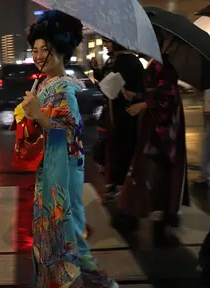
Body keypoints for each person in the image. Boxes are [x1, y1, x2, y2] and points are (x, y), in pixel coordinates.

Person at [20, 10, 118, 287]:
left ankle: (97, 282)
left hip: (63, 169)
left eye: (45, 49)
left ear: (61, 50)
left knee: (69, 230)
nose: (38, 56)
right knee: (61, 230)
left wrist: (38, 115)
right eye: (35, 50)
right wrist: (28, 116)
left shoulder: (63, 87)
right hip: (51, 165)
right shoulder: (46, 84)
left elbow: (71, 131)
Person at [114, 50, 189, 239]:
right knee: (148, 171)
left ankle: (141, 214)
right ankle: (146, 213)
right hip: (153, 124)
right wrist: (138, 97)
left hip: (161, 128)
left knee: (151, 171)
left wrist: (144, 104)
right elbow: (155, 94)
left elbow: (168, 97)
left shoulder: (163, 65)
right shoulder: (155, 63)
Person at [99, 39, 145, 202]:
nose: (105, 45)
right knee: (114, 148)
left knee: (124, 149)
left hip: (126, 113)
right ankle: (116, 183)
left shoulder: (128, 61)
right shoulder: (116, 60)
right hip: (115, 113)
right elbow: (106, 85)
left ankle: (122, 185)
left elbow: (140, 89)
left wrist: (132, 95)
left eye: (107, 41)